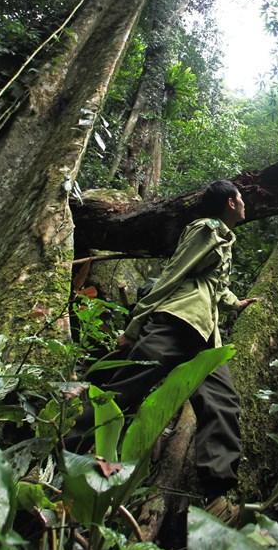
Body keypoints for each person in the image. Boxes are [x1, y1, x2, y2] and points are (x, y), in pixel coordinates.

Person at [68, 180, 256, 523]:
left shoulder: (224, 238)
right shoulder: (207, 229)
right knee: (126, 384)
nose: (246, 204)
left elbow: (216, 287)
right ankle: (63, 449)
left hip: (205, 333)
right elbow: (173, 274)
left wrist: (236, 304)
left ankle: (216, 495)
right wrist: (136, 324)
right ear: (230, 203)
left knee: (222, 403)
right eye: (242, 199)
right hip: (178, 322)